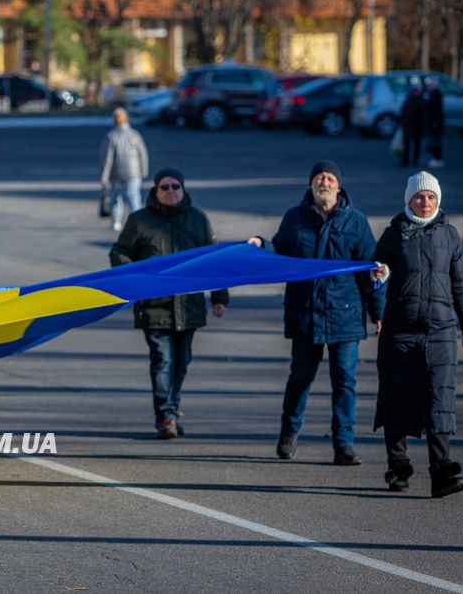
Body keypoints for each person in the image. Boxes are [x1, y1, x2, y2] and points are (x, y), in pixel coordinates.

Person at [250, 161, 383, 465]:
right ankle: (288, 434)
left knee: (345, 382)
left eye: (330, 178)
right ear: (311, 184)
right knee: (300, 379)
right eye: (319, 178)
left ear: (339, 186)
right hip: (305, 314)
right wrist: (261, 244)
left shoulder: (356, 223)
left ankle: (344, 443)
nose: (324, 182)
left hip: (344, 314)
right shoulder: (294, 218)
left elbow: (370, 272)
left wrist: (378, 311)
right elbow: (279, 252)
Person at [372, 172, 463, 498]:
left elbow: (460, 285)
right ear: (408, 200)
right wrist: (379, 280)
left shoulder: (450, 235)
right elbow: (374, 275)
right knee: (397, 398)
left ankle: (441, 472)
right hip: (399, 331)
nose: (425, 202)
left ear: (438, 200)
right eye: (419, 196)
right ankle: (398, 467)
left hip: (441, 332)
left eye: (431, 196)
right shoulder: (393, 235)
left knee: (439, 399)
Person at [109, 168, 228, 439]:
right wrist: (135, 275)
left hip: (189, 306)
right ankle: (165, 417)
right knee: (163, 360)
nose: (171, 191)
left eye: (176, 186)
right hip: (155, 306)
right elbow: (119, 251)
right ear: (156, 191)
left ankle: (171, 411)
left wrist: (220, 297)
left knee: (182, 362)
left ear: (183, 189)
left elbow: (214, 261)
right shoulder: (140, 221)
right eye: (165, 187)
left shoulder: (197, 219)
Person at [99, 108, 149, 230]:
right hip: (134, 172)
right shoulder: (135, 134)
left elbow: (107, 159)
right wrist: (144, 170)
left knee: (117, 200)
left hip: (116, 174)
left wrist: (104, 176)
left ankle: (116, 222)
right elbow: (142, 154)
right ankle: (137, 223)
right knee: (134, 198)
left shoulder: (111, 136)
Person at [399, 85, 424, 168]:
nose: (417, 92)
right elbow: (403, 112)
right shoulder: (410, 100)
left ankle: (415, 160)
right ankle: (406, 160)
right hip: (408, 126)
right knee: (407, 144)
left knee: (416, 144)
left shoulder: (420, 101)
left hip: (417, 126)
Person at [422, 78, 445, 169]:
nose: (428, 87)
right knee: (434, 141)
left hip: (435, 123)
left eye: (430, 85)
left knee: (435, 142)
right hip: (434, 122)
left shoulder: (435, 95)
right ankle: (436, 158)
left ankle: (437, 159)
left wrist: (435, 123)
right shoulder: (433, 94)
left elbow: (435, 110)